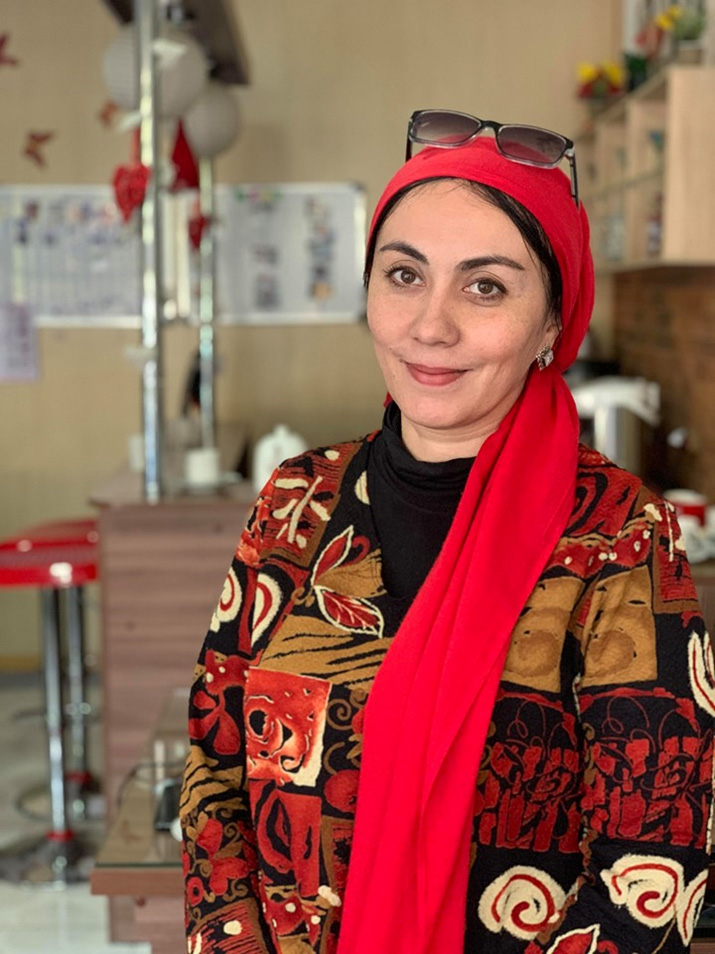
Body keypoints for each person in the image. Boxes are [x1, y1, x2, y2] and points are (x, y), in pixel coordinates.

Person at [180, 111, 714, 954]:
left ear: (551, 324)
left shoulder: (617, 535)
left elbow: (654, 857)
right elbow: (214, 771)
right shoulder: (296, 501)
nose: (430, 325)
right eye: (404, 275)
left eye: (485, 287)